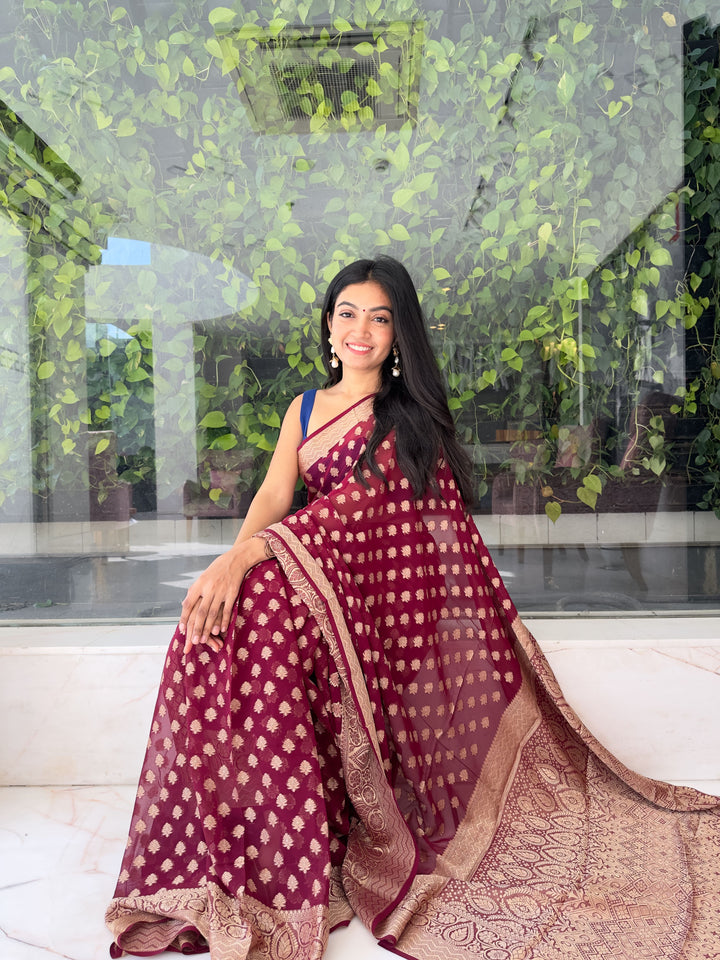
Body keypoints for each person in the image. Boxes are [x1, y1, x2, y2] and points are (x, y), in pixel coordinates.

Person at [106, 256, 720, 960]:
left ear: (399, 335)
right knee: (209, 628)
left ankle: (286, 853)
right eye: (347, 314)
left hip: (369, 602)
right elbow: (277, 496)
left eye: (379, 317)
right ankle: (241, 844)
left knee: (262, 606)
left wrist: (248, 559)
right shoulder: (304, 408)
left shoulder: (406, 418)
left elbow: (356, 514)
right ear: (328, 325)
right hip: (309, 575)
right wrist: (227, 566)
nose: (360, 330)